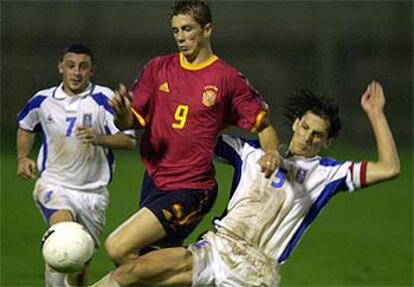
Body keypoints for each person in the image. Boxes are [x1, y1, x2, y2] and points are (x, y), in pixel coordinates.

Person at [89, 81, 400, 287]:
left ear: (328, 141)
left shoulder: (327, 174)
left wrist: (375, 113)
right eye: (305, 126)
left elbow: (389, 168)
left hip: (255, 274)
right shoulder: (248, 152)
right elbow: (196, 134)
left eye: (317, 134)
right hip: (215, 250)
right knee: (131, 271)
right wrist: (132, 114)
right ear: (294, 123)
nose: (307, 136)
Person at [104, 0, 280, 265]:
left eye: (187, 29)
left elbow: (263, 126)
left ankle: (206, 266)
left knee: (119, 248)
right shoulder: (158, 68)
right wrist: (120, 113)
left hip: (192, 188)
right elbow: (129, 122)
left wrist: (271, 152)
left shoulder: (227, 79)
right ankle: (206, 276)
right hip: (154, 180)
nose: (180, 37)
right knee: (146, 262)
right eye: (175, 31)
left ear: (207, 30)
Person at [16, 43, 136, 287]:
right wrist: (22, 157)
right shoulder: (43, 100)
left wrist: (99, 138)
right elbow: (26, 126)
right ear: (61, 67)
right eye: (70, 66)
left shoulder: (104, 99)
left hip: (93, 194)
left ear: (92, 70)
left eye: (83, 67)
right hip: (55, 185)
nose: (76, 72)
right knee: (63, 236)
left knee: (78, 265)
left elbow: (128, 141)